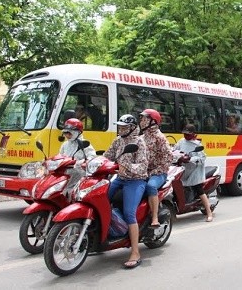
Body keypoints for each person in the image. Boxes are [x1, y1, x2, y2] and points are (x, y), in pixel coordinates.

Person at [104, 114, 148, 269]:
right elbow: (107, 157)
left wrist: (127, 167)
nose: (121, 129)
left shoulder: (139, 142)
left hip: (136, 180)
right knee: (101, 200)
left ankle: (135, 252)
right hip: (119, 178)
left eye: (124, 127)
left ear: (131, 128)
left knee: (129, 213)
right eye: (120, 126)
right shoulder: (118, 140)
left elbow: (143, 166)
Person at [139, 109, 173, 228]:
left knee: (151, 186)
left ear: (153, 122)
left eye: (144, 119)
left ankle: (154, 217)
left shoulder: (160, 138)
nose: (142, 121)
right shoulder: (142, 137)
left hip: (158, 173)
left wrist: (153, 172)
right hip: (142, 172)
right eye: (141, 119)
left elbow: (169, 157)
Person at [173, 124, 213, 222]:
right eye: (185, 134)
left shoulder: (197, 145)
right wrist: (178, 156)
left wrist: (191, 159)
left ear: (193, 134)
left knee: (199, 189)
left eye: (188, 134)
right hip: (183, 169)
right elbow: (174, 150)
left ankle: (209, 213)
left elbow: (203, 158)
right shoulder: (181, 142)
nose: (186, 136)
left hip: (195, 171)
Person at [59, 118, 96, 197]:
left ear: (77, 132)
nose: (67, 135)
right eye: (65, 133)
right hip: (66, 174)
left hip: (79, 175)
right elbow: (60, 156)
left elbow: (92, 156)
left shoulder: (84, 144)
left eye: (69, 133)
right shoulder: (65, 145)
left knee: (73, 195)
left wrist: (84, 162)